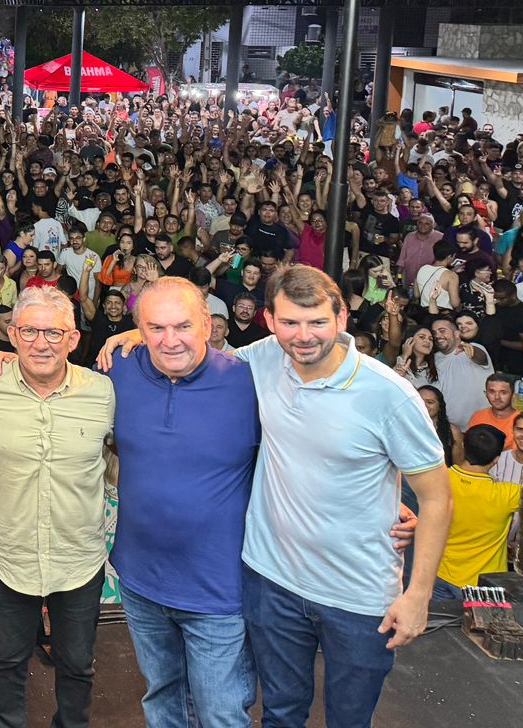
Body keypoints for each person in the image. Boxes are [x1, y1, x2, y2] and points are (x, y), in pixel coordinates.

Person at [102, 265, 452, 728]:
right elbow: (173, 337)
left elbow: (438, 498)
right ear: (270, 321)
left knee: (339, 717)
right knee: (276, 713)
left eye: (317, 321)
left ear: (342, 317)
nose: (303, 335)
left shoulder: (384, 393)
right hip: (271, 582)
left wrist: (418, 593)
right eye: (289, 322)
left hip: (347, 592)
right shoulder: (261, 361)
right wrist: (131, 333)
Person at [0, 286, 114, 728]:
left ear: (74, 339)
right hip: (11, 554)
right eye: (29, 331)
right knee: (6, 660)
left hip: (78, 556)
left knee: (77, 664)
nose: (41, 343)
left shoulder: (103, 392)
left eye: (54, 333)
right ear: (12, 334)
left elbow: (122, 452)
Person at [110, 278, 260, 728]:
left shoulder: (250, 382)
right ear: (138, 328)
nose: (169, 340)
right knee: (163, 701)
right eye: (155, 327)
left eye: (182, 326)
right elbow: (47, 372)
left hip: (219, 589)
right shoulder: (118, 370)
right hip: (141, 582)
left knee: (220, 712)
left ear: (210, 325)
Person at [434, 424, 523, 598]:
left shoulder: (441, 479)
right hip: (482, 585)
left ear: (463, 447)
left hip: (440, 574)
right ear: (496, 459)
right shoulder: (507, 494)